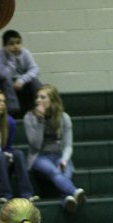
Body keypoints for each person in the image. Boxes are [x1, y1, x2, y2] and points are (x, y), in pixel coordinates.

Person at [24, 84, 86, 213]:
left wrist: (64, 160)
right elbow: (35, 144)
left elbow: (68, 145)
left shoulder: (64, 118)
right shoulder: (29, 118)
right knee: (54, 172)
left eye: (42, 97)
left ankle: (67, 200)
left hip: (59, 155)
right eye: (37, 97)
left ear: (52, 100)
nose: (38, 100)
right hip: (39, 157)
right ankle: (74, 191)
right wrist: (40, 121)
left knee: (66, 173)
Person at [0, 30, 42, 117]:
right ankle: (13, 110)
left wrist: (22, 80)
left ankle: (41, 106)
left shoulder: (25, 53)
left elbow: (35, 69)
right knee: (6, 80)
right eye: (11, 44)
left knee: (35, 81)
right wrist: (12, 59)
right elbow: (2, 75)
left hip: (21, 81)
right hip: (5, 83)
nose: (15, 46)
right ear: (4, 46)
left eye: (18, 43)